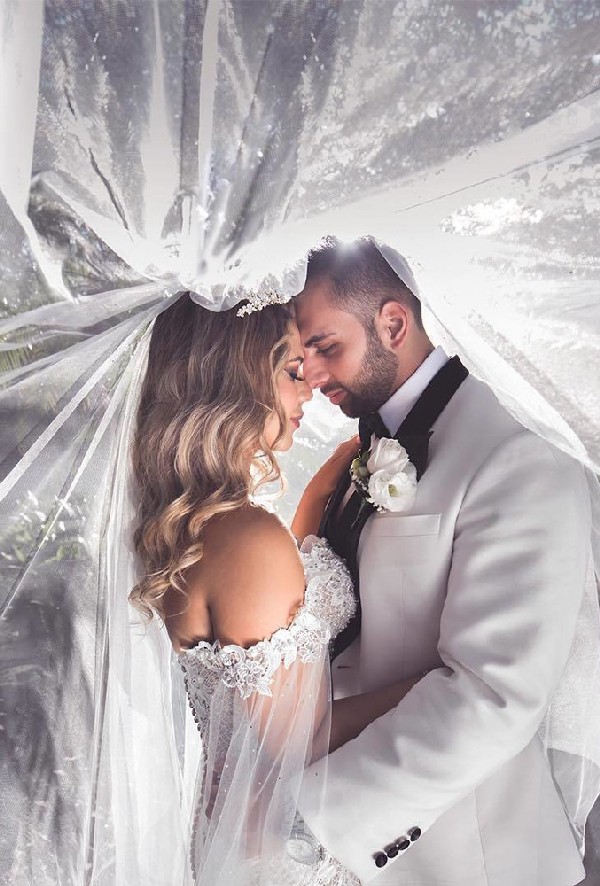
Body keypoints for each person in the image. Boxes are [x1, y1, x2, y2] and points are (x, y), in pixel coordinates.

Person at [292, 236, 593, 885]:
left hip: (475, 862)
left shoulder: (517, 457)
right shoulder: (352, 460)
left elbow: (494, 696)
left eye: (326, 346)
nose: (310, 374)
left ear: (393, 322)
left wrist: (316, 815)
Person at [127, 293, 423, 885]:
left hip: (229, 837)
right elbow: (302, 744)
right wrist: (442, 681)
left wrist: (313, 504)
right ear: (230, 390)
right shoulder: (246, 539)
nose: (309, 386)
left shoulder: (194, 525)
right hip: (276, 850)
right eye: (291, 371)